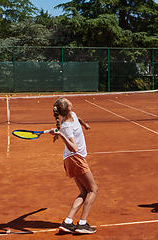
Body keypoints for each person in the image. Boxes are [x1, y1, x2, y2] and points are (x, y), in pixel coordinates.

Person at [49, 97, 98, 234]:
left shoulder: (72, 115)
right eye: (67, 100)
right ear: (68, 108)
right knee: (93, 190)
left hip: (70, 160)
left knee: (84, 192)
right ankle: (82, 224)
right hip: (75, 158)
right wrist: (61, 135)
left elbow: (78, 117)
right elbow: (74, 148)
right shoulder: (66, 127)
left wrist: (84, 124)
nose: (69, 99)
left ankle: (68, 222)